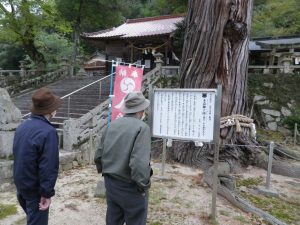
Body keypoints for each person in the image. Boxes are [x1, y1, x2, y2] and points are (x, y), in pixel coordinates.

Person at [95, 91, 152, 225]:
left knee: (113, 220)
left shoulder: (112, 125)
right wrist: (144, 186)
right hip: (130, 185)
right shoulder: (142, 128)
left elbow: (98, 155)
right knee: (136, 220)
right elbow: (139, 164)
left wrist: (106, 172)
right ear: (141, 110)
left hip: (111, 183)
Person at [13, 87, 61, 225]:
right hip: (35, 190)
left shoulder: (22, 126)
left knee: (32, 218)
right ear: (51, 111)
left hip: (21, 185)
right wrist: (46, 194)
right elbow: (48, 166)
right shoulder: (48, 132)